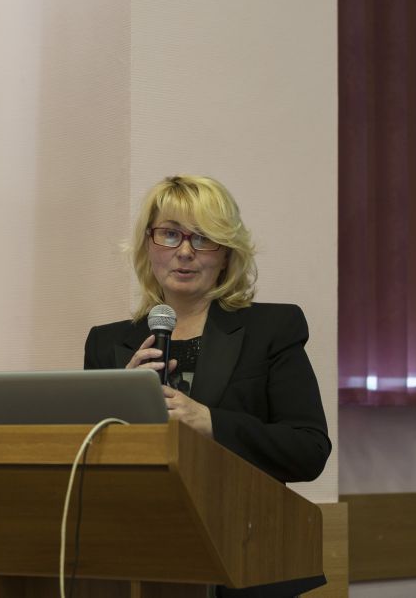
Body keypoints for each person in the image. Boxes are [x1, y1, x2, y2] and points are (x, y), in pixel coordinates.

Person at [84, 175, 331, 597]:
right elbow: (86, 465)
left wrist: (210, 422)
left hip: (245, 560)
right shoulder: (108, 344)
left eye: (203, 239)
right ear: (148, 245)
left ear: (227, 254)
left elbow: (308, 450)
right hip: (136, 559)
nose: (184, 251)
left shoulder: (272, 329)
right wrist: (119, 409)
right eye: (170, 234)